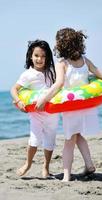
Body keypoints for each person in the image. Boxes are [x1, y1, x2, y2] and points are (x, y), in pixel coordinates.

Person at [36, 28, 102, 181]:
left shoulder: (62, 63)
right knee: (78, 135)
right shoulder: (85, 60)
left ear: (60, 45)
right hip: (86, 107)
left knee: (69, 140)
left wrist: (44, 99)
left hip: (71, 107)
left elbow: (59, 84)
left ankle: (66, 176)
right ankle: (89, 166)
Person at [11, 39, 58, 178]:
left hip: (51, 113)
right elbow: (14, 89)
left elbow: (60, 86)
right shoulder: (28, 74)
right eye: (36, 55)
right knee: (34, 140)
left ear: (47, 57)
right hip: (36, 114)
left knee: (50, 140)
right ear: (31, 56)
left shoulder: (52, 71)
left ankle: (46, 167)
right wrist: (18, 101)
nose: (40, 59)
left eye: (43, 56)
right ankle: (28, 163)